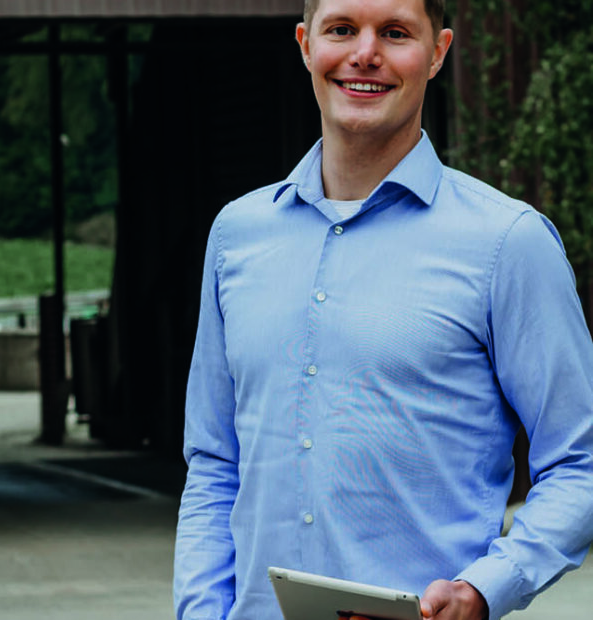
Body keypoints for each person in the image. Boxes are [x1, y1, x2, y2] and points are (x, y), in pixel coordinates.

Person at [173, 0, 593, 618]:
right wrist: (200, 611)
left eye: (395, 33)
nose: (364, 54)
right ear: (305, 45)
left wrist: (486, 587)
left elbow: (581, 462)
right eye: (342, 29)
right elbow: (214, 463)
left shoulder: (508, 243)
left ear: (438, 52)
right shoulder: (236, 235)